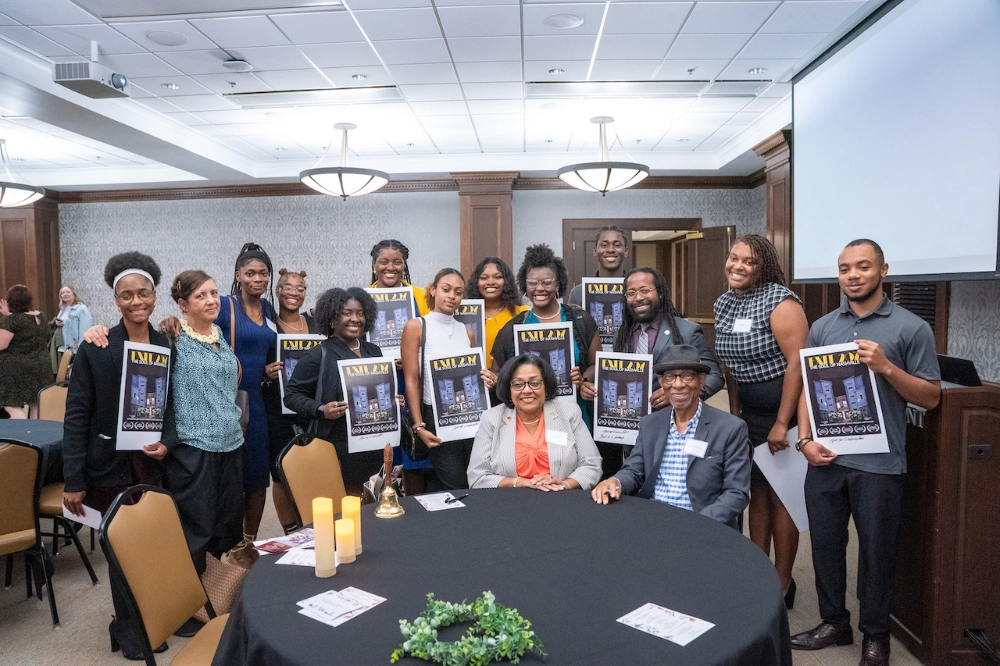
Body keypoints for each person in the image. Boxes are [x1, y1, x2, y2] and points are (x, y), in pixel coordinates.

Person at [789, 240, 940, 666]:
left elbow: (930, 398)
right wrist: (803, 440)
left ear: (883, 270)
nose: (852, 275)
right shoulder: (821, 327)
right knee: (825, 547)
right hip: (825, 460)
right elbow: (807, 388)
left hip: (880, 465)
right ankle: (833, 622)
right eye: (844, 269)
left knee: (877, 552)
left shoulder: (912, 328)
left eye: (862, 267)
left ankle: (876, 635)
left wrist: (888, 368)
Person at [62, 253, 171, 659]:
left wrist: (169, 444)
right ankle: (128, 628)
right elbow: (76, 416)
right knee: (120, 550)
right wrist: (74, 479)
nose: (136, 301)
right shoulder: (98, 345)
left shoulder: (165, 343)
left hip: (151, 463)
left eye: (143, 293)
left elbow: (172, 407)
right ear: (116, 299)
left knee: (149, 545)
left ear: (155, 296)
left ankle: (148, 615)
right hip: (108, 464)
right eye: (127, 295)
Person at [713, 234, 809, 607]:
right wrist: (736, 414)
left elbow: (796, 364)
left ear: (762, 266)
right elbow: (730, 366)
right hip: (750, 414)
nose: (737, 266)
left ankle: (782, 585)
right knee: (757, 496)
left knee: (782, 497)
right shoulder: (724, 303)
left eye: (748, 261)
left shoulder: (780, 301)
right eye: (733, 258)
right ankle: (760, 573)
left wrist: (782, 422)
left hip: (784, 414)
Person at [591, 345, 751, 530]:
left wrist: (696, 524)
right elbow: (634, 470)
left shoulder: (729, 428)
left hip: (702, 525)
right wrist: (615, 481)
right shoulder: (650, 424)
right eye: (670, 377)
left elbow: (736, 493)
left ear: (701, 380)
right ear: (661, 382)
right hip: (653, 521)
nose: (678, 384)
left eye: (687, 375)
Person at [160, 270, 244, 582]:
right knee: (195, 530)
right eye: (201, 296)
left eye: (213, 292)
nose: (211, 300)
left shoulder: (218, 332)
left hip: (230, 443)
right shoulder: (173, 338)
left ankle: (210, 592)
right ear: (183, 304)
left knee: (225, 526)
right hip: (194, 448)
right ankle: (183, 603)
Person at [401, 268, 498, 491]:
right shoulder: (416, 326)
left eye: (458, 292)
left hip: (472, 418)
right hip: (436, 419)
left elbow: (474, 377)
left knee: (477, 480)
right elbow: (411, 379)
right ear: (433, 290)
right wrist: (419, 426)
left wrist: (488, 379)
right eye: (446, 289)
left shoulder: (467, 332)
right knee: (455, 484)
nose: (451, 296)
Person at [283, 287, 386, 496]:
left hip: (373, 443)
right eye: (347, 313)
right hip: (337, 446)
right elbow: (291, 396)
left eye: (360, 313)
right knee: (345, 505)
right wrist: (321, 409)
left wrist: (392, 399)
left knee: (373, 499)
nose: (355, 319)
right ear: (332, 318)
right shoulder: (317, 355)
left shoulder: (374, 351)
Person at [490, 244, 601, 424]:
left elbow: (595, 363)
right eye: (532, 283)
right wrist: (496, 379)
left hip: (573, 415)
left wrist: (583, 379)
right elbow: (497, 372)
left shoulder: (580, 319)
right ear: (525, 285)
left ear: (557, 284)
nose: (539, 288)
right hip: (528, 419)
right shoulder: (514, 328)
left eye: (547, 282)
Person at [468, 354, 602, 490]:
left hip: (561, 499)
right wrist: (520, 482)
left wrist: (564, 485)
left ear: (546, 386)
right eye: (518, 384)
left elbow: (591, 465)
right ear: (509, 389)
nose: (527, 390)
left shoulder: (568, 413)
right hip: (509, 503)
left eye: (535, 383)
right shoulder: (492, 419)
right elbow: (477, 476)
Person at [614, 267, 724, 402]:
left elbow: (714, 376)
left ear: (660, 293)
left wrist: (680, 394)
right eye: (631, 293)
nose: (638, 298)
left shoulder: (687, 331)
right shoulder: (620, 335)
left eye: (645, 290)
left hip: (674, 418)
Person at [263, 268, 317, 533]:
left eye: (299, 288)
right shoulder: (266, 326)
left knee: (313, 468)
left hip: (312, 407)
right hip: (278, 409)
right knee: (281, 473)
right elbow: (255, 363)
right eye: (287, 287)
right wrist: (267, 371)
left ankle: (312, 522)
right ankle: (290, 530)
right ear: (277, 291)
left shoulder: (317, 324)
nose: (293, 293)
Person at [463, 256, 528, 369]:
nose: (490, 282)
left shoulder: (521, 314)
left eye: (497, 277)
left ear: (506, 282)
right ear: (476, 282)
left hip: (508, 381)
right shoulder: (464, 315)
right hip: (473, 381)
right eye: (484, 278)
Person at [0, 285, 53, 419]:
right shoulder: (42, 316)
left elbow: (1, 345)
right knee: (35, 404)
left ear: (11, 301)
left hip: (17, 369)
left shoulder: (13, 320)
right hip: (42, 366)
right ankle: (35, 436)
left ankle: (23, 434)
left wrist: (7, 318)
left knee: (10, 405)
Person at [565, 225, 630, 306]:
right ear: (595, 251)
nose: (610, 250)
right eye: (604, 245)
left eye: (617, 245)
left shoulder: (636, 289)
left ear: (626, 251)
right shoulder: (578, 293)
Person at [369, 238, 429, 316]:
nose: (390, 268)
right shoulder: (362, 298)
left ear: (404, 265)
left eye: (397, 262)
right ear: (374, 264)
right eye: (384, 262)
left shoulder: (424, 296)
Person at [53, 284, 92, 361]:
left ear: (74, 294)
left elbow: (84, 330)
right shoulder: (62, 309)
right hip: (63, 347)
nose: (65, 294)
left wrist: (81, 349)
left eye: (68, 292)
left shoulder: (81, 309)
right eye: (62, 293)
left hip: (75, 349)